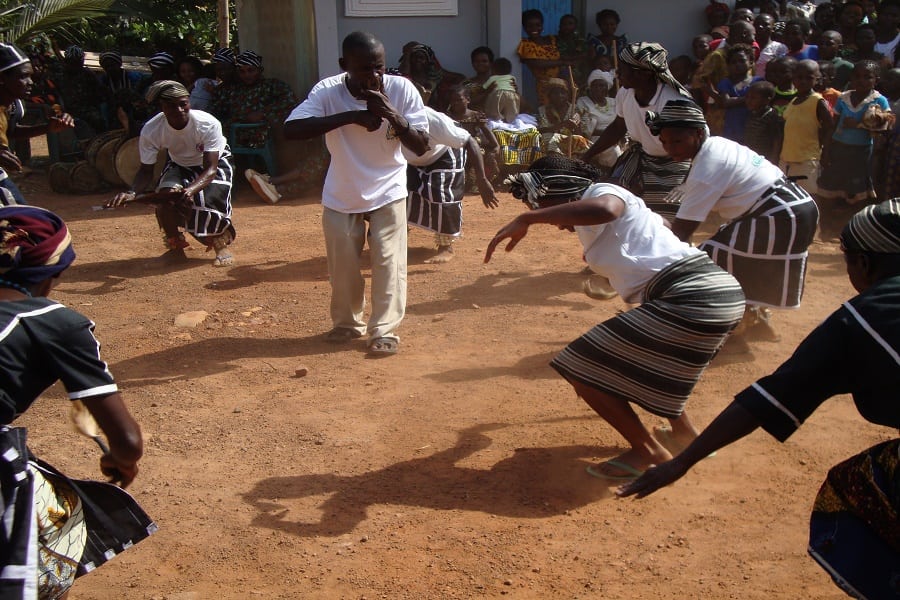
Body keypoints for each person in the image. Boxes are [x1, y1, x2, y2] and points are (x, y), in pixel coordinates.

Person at [619, 198, 900, 600]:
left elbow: (767, 396)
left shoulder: (859, 320)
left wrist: (681, 462)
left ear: (863, 263)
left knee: (858, 487)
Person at [485, 155, 745, 479]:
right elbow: (659, 229)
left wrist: (529, 217)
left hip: (693, 297)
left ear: (563, 189)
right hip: (712, 294)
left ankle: (648, 451)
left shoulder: (604, 192)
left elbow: (606, 209)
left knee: (581, 367)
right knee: (646, 364)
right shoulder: (606, 216)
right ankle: (685, 435)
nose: (553, 221)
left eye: (545, 205)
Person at [0, 205, 154, 599]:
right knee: (52, 540)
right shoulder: (54, 321)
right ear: (53, 274)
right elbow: (128, 442)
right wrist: (120, 460)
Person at [284, 31, 428, 357]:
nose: (374, 76)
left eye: (379, 67)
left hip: (389, 187)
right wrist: (351, 116)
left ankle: (384, 330)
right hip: (343, 189)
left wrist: (392, 114)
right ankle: (348, 323)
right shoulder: (327, 91)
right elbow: (291, 129)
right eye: (364, 69)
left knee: (389, 261)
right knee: (343, 264)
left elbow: (421, 145)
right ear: (344, 66)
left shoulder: (401, 89)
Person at [653, 99, 819, 337]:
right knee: (737, 258)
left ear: (698, 133)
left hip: (780, 214)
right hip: (796, 208)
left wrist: (646, 264)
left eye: (677, 141)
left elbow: (681, 233)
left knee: (709, 262)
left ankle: (732, 325)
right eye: (665, 142)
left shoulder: (707, 167)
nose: (670, 148)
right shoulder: (716, 144)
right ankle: (754, 319)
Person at [106, 80, 237, 267]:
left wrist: (190, 190)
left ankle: (219, 245)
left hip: (213, 162)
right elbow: (146, 170)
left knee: (207, 200)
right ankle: (175, 247)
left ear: (189, 102)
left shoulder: (207, 123)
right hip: (179, 164)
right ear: (162, 107)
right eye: (171, 106)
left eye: (183, 103)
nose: (179, 110)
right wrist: (132, 192)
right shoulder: (152, 129)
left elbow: (210, 169)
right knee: (165, 199)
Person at [581, 42, 694, 223]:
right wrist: (587, 155)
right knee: (616, 200)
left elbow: (700, 145)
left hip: (675, 164)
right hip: (640, 156)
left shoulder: (675, 101)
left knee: (665, 222)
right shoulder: (625, 93)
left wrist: (689, 182)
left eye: (623, 69)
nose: (617, 74)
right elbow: (618, 127)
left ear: (643, 73)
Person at [406, 106, 498, 263]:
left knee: (441, 194)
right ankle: (397, 240)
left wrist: (482, 180)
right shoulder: (382, 120)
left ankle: (445, 247)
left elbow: (470, 141)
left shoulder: (432, 120)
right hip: (411, 160)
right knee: (399, 194)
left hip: (446, 152)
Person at [0, 43, 74, 205]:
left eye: (31, 76)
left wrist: (48, 128)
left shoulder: (15, 105)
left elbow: (11, 132)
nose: (30, 82)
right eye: (23, 76)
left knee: (23, 218)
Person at [819, 60, 893, 210]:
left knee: (856, 187)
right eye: (857, 76)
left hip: (861, 151)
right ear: (851, 79)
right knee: (833, 183)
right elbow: (833, 125)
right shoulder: (843, 98)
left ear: (876, 80)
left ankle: (850, 220)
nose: (861, 80)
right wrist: (825, 151)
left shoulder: (879, 100)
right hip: (838, 147)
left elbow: (886, 127)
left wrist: (859, 125)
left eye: (867, 77)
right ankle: (828, 222)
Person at [212, 50, 298, 150]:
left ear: (260, 70)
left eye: (251, 70)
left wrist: (263, 113)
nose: (247, 75)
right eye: (242, 72)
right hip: (235, 135)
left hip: (265, 135)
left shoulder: (272, 85)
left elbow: (290, 100)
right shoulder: (231, 90)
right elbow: (217, 112)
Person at [780, 59, 833, 195]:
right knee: (789, 195)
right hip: (787, 158)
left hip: (807, 160)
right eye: (799, 77)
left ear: (817, 79)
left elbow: (829, 128)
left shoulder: (817, 101)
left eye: (808, 78)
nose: (803, 81)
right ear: (793, 78)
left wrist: (826, 153)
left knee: (809, 195)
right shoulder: (793, 101)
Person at [711, 44, 762, 144]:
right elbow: (726, 102)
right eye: (733, 62)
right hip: (732, 131)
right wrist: (749, 99)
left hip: (753, 130)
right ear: (728, 65)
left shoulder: (758, 82)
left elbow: (760, 103)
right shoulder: (726, 82)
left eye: (741, 61)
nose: (737, 65)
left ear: (751, 62)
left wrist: (737, 100)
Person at [517, 9, 570, 106]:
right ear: (524, 27)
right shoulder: (526, 44)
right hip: (546, 86)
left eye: (538, 25)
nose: (534, 28)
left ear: (542, 25)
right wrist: (561, 62)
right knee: (549, 113)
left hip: (563, 82)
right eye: (530, 26)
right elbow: (537, 64)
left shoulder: (552, 39)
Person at [56, 45, 106, 139]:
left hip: (87, 108)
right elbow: (58, 94)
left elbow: (99, 92)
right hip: (68, 111)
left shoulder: (87, 74)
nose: (76, 66)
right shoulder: (60, 75)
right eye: (73, 63)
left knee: (98, 120)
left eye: (78, 62)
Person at [576, 69, 621, 172]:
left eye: (601, 86)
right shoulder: (583, 101)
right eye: (594, 85)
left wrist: (619, 136)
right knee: (614, 151)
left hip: (617, 137)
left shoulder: (614, 102)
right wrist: (610, 135)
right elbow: (584, 128)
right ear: (590, 88)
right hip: (595, 139)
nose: (597, 88)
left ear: (607, 88)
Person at [536, 77, 590, 156]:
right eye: (555, 93)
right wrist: (561, 125)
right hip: (550, 147)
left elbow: (583, 135)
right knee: (549, 138)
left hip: (572, 146)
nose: (559, 96)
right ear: (549, 95)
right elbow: (541, 131)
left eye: (563, 93)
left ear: (567, 95)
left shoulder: (576, 110)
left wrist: (575, 126)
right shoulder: (542, 110)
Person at [743, 80, 783, 163]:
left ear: (767, 100)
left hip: (765, 159)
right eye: (747, 97)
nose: (749, 101)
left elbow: (777, 142)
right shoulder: (752, 114)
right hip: (750, 157)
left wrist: (773, 162)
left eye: (753, 98)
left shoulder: (772, 117)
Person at [482, 57, 519, 123]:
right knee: (511, 109)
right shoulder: (512, 77)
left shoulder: (492, 78)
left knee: (495, 109)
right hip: (512, 94)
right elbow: (514, 87)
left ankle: (497, 121)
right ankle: (509, 120)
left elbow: (484, 87)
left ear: (494, 70)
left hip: (498, 94)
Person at [461, 46, 494, 111]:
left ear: (491, 63)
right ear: (472, 63)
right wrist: (487, 92)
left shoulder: (498, 81)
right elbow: (463, 103)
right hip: (474, 119)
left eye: (484, 61)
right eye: (476, 61)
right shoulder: (468, 83)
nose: (480, 64)